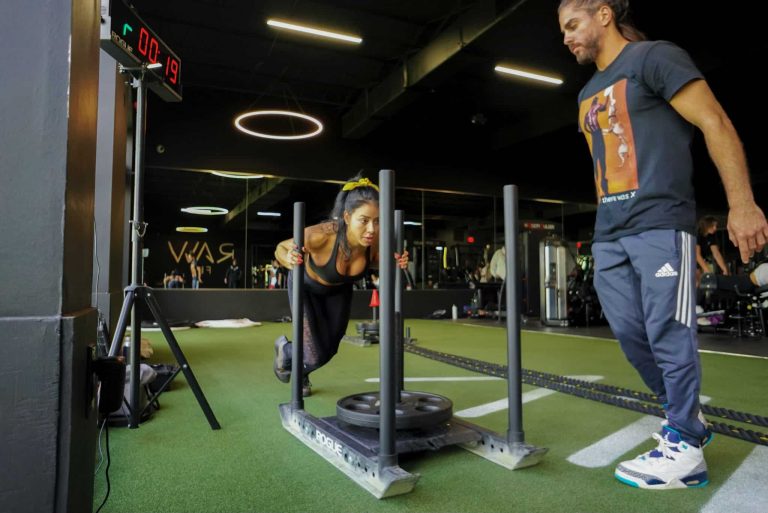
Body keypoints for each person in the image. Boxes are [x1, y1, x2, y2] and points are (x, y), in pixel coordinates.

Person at [558, 0, 768, 490]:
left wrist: (741, 205)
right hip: (610, 233)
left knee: (668, 331)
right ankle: (687, 416)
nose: (566, 38)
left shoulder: (654, 59)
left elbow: (714, 121)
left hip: (659, 222)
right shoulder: (587, 92)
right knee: (632, 335)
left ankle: (685, 445)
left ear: (603, 14)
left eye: (573, 25)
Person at [272, 176, 408, 396]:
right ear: (347, 216)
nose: (371, 228)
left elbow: (377, 261)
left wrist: (396, 261)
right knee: (313, 354)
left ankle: (301, 368)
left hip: (339, 291)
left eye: (377, 220)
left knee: (328, 350)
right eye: (363, 220)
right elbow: (280, 248)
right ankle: (285, 350)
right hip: (306, 288)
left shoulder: (375, 239)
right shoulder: (322, 235)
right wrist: (288, 257)